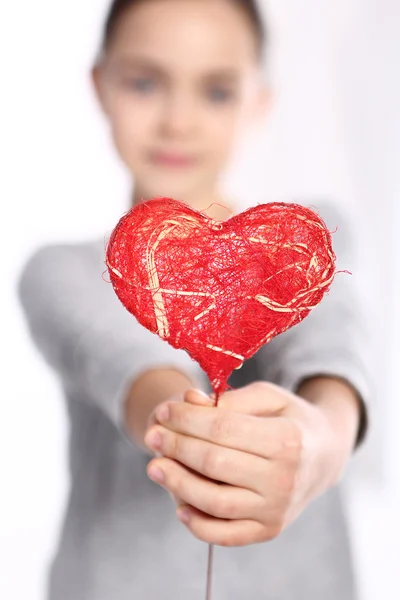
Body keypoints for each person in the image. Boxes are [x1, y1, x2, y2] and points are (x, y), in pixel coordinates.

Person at [18, 1, 371, 599]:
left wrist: (323, 439)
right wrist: (179, 428)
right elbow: (120, 362)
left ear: (258, 100)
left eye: (216, 91)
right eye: (146, 82)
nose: (178, 122)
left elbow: (330, 351)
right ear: (100, 86)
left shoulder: (301, 244)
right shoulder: (59, 271)